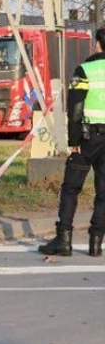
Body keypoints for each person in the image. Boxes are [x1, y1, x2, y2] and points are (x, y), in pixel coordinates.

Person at [37, 26, 105, 258]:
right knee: (103, 191)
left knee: (71, 188)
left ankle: (63, 239)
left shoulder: (85, 70)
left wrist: (73, 140)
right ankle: (96, 244)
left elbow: (75, 108)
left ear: (98, 44)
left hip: (87, 139)